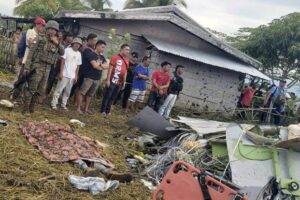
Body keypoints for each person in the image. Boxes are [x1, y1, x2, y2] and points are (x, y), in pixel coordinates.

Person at [22, 20, 64, 114]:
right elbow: (31, 52)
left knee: (39, 90)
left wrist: (56, 43)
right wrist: (27, 67)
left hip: (47, 68)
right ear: (47, 28)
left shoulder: (56, 42)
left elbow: (62, 52)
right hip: (37, 66)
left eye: (54, 30)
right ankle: (25, 110)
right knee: (31, 89)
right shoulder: (40, 38)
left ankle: (32, 108)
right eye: (50, 29)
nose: (52, 31)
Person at [77, 39, 109, 114]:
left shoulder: (102, 57)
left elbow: (107, 66)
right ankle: (78, 108)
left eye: (104, 47)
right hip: (89, 77)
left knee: (90, 95)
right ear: (97, 46)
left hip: (97, 78)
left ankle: (86, 109)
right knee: (82, 92)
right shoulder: (91, 54)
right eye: (102, 47)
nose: (103, 49)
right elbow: (94, 66)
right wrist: (101, 66)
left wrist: (100, 65)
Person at [51, 38, 82, 110]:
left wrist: (76, 76)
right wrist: (61, 72)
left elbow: (78, 66)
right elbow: (62, 61)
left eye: (79, 44)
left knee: (67, 92)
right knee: (59, 90)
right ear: (73, 43)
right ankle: (54, 103)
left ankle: (63, 104)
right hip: (64, 74)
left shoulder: (79, 54)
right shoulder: (67, 50)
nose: (77, 45)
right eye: (76, 43)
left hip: (72, 76)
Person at [101, 44, 130, 116]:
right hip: (112, 80)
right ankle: (103, 110)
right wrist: (108, 80)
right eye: (126, 49)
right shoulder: (115, 57)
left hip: (119, 82)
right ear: (121, 49)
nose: (128, 51)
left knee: (113, 97)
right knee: (108, 95)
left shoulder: (127, 59)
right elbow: (110, 69)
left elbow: (125, 71)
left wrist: (124, 81)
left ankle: (108, 110)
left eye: (128, 50)